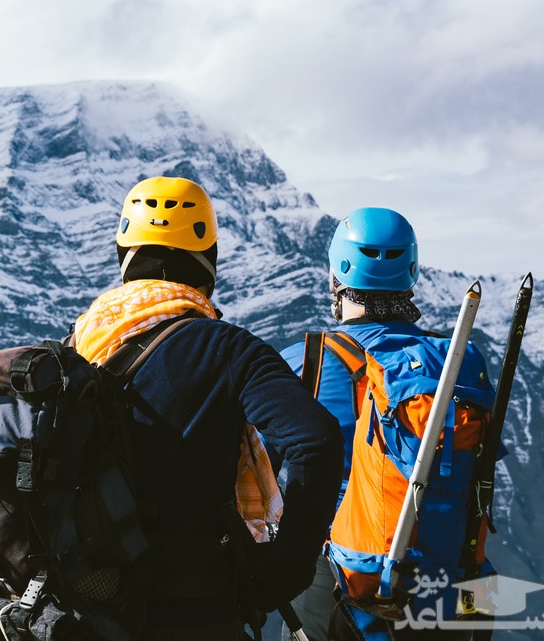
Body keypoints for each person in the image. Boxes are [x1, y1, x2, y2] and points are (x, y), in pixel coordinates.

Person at [70, 176, 343, 640]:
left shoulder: (76, 348)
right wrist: (285, 569)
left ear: (125, 256)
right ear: (207, 261)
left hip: (91, 606)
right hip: (198, 607)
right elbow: (315, 440)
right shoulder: (227, 349)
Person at [279, 209, 493, 641]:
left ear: (337, 279)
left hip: (339, 574)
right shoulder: (459, 364)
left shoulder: (308, 361)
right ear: (410, 274)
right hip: (449, 574)